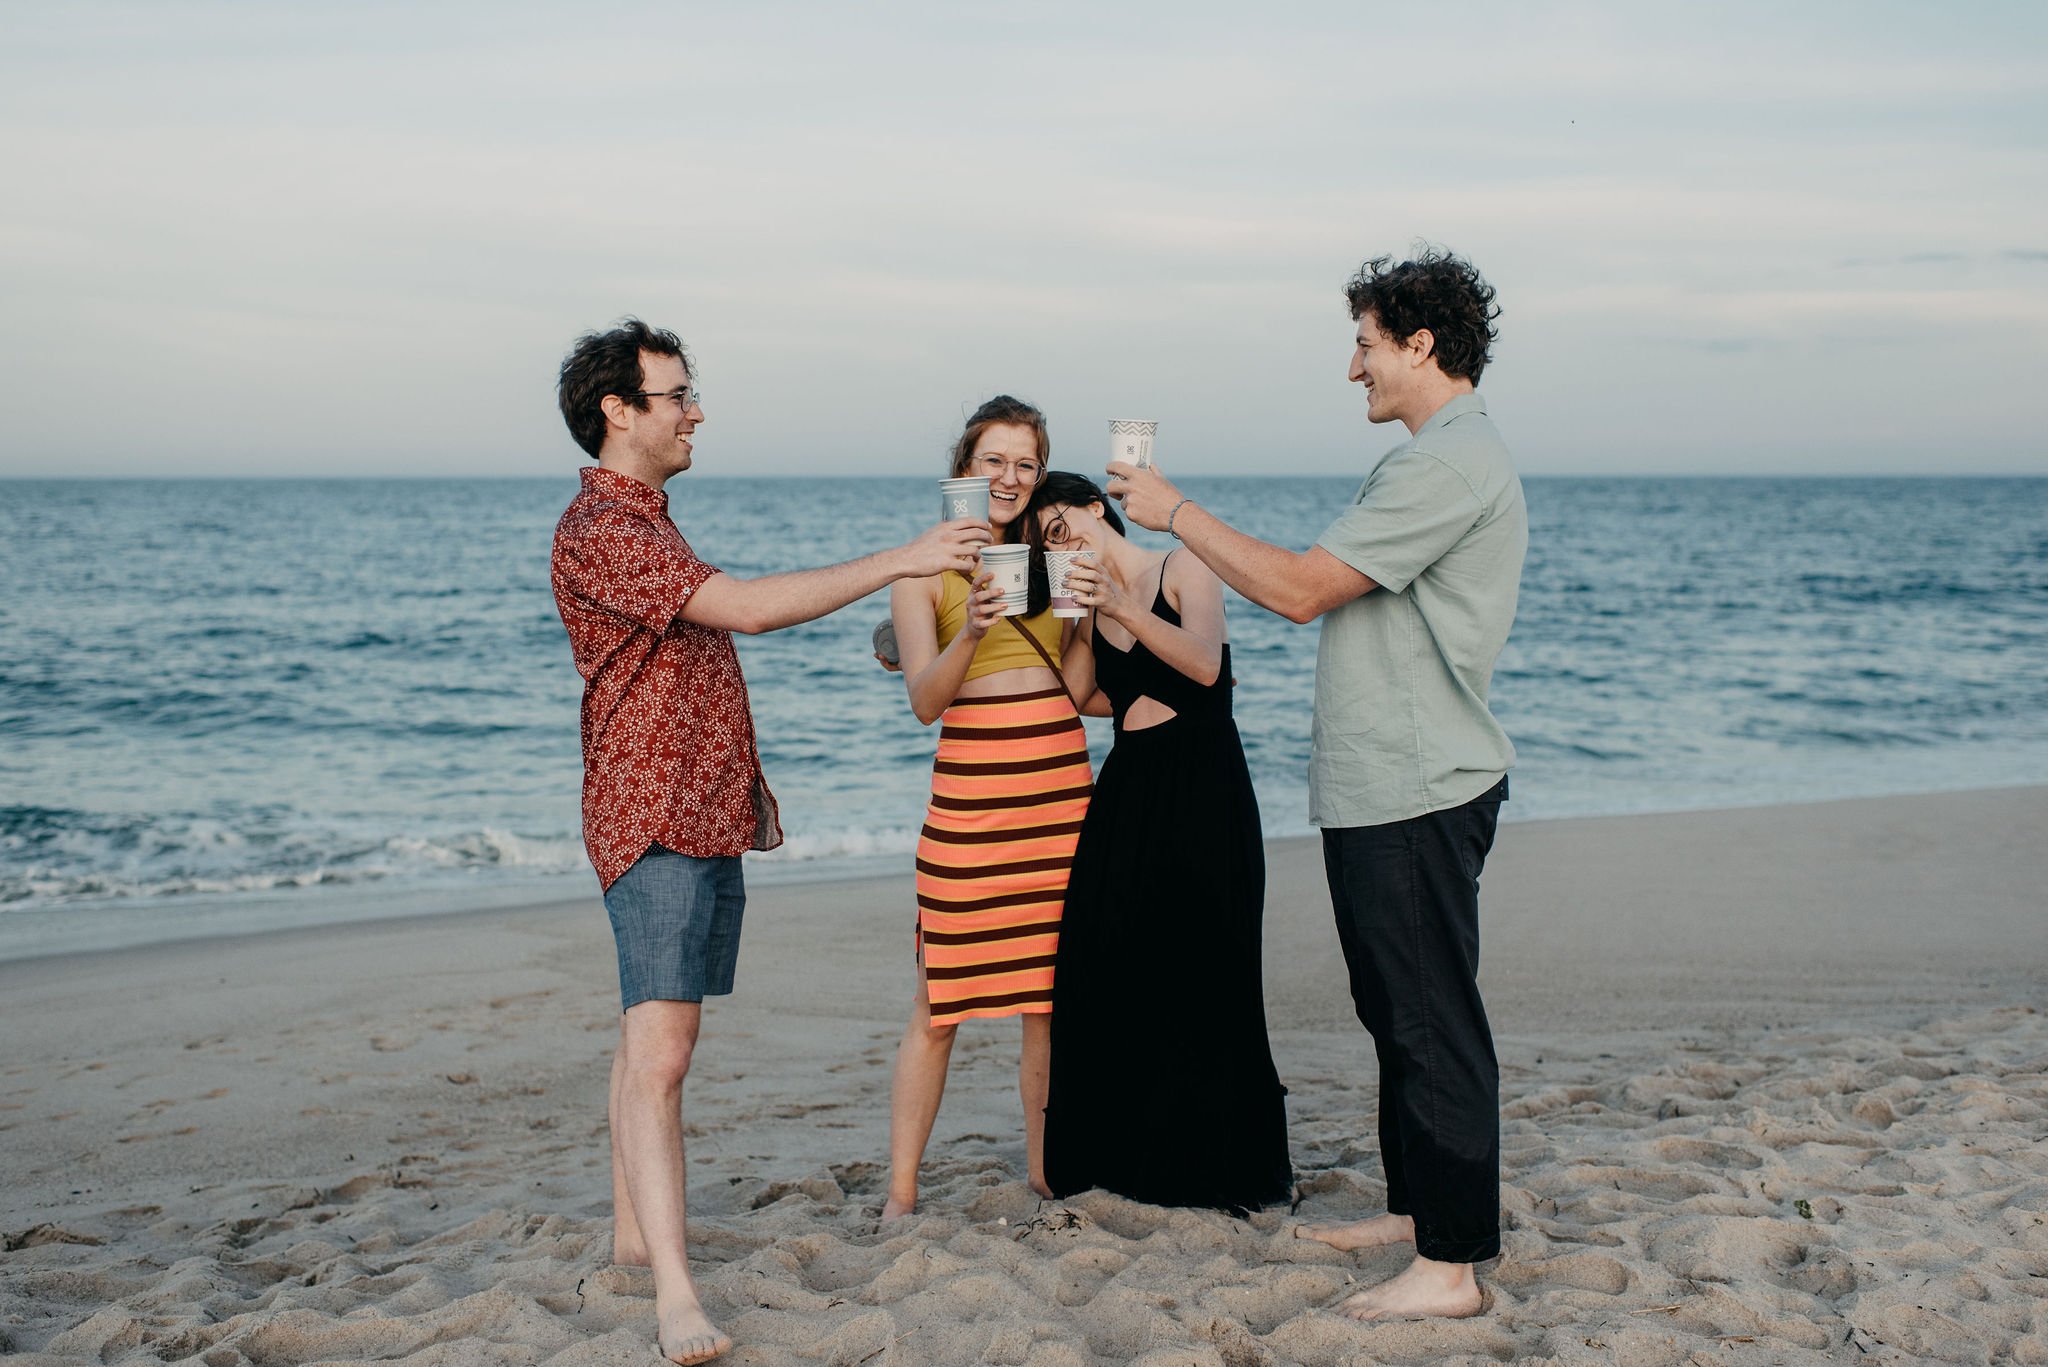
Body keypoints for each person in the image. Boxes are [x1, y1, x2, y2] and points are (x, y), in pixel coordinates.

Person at [550, 319, 987, 1365]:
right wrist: (911, 555)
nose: (695, 409)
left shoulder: (646, 520)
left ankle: (628, 1237)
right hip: (650, 812)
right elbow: (741, 610)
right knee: (662, 1049)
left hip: (691, 808)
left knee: (643, 1039)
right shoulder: (604, 527)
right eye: (677, 394)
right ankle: (675, 1299)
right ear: (619, 409)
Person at [1106, 248, 1526, 1321]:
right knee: (1393, 1005)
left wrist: (1175, 512)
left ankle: (1450, 1261)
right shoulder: (1435, 457)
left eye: (1366, 343)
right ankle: (1414, 1210)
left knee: (1428, 1016)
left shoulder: (1445, 462)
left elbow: (1297, 589)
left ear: (1419, 343)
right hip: (1384, 781)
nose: (1354, 368)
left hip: (1416, 781)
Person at [1027, 472, 1293, 1212]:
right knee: (1107, 951)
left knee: (1209, 958)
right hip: (1130, 786)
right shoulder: (1091, 608)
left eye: (1063, 524)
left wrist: (1120, 605)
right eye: (1048, 543)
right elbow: (1081, 697)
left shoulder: (1184, 565)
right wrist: (1077, 616)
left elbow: (1206, 664)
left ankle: (1219, 1160)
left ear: (1093, 507)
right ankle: (1124, 1150)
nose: (1064, 541)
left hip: (1205, 782)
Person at [881, 396, 1093, 1220]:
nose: (1009, 477)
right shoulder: (920, 571)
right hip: (971, 806)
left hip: (1058, 798)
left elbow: (1074, 687)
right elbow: (926, 702)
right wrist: (969, 629)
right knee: (940, 1002)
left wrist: (1080, 615)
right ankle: (901, 1191)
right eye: (993, 460)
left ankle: (1045, 1169)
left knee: (1047, 1003)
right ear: (964, 468)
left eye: (1025, 464)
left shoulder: (1050, 558)